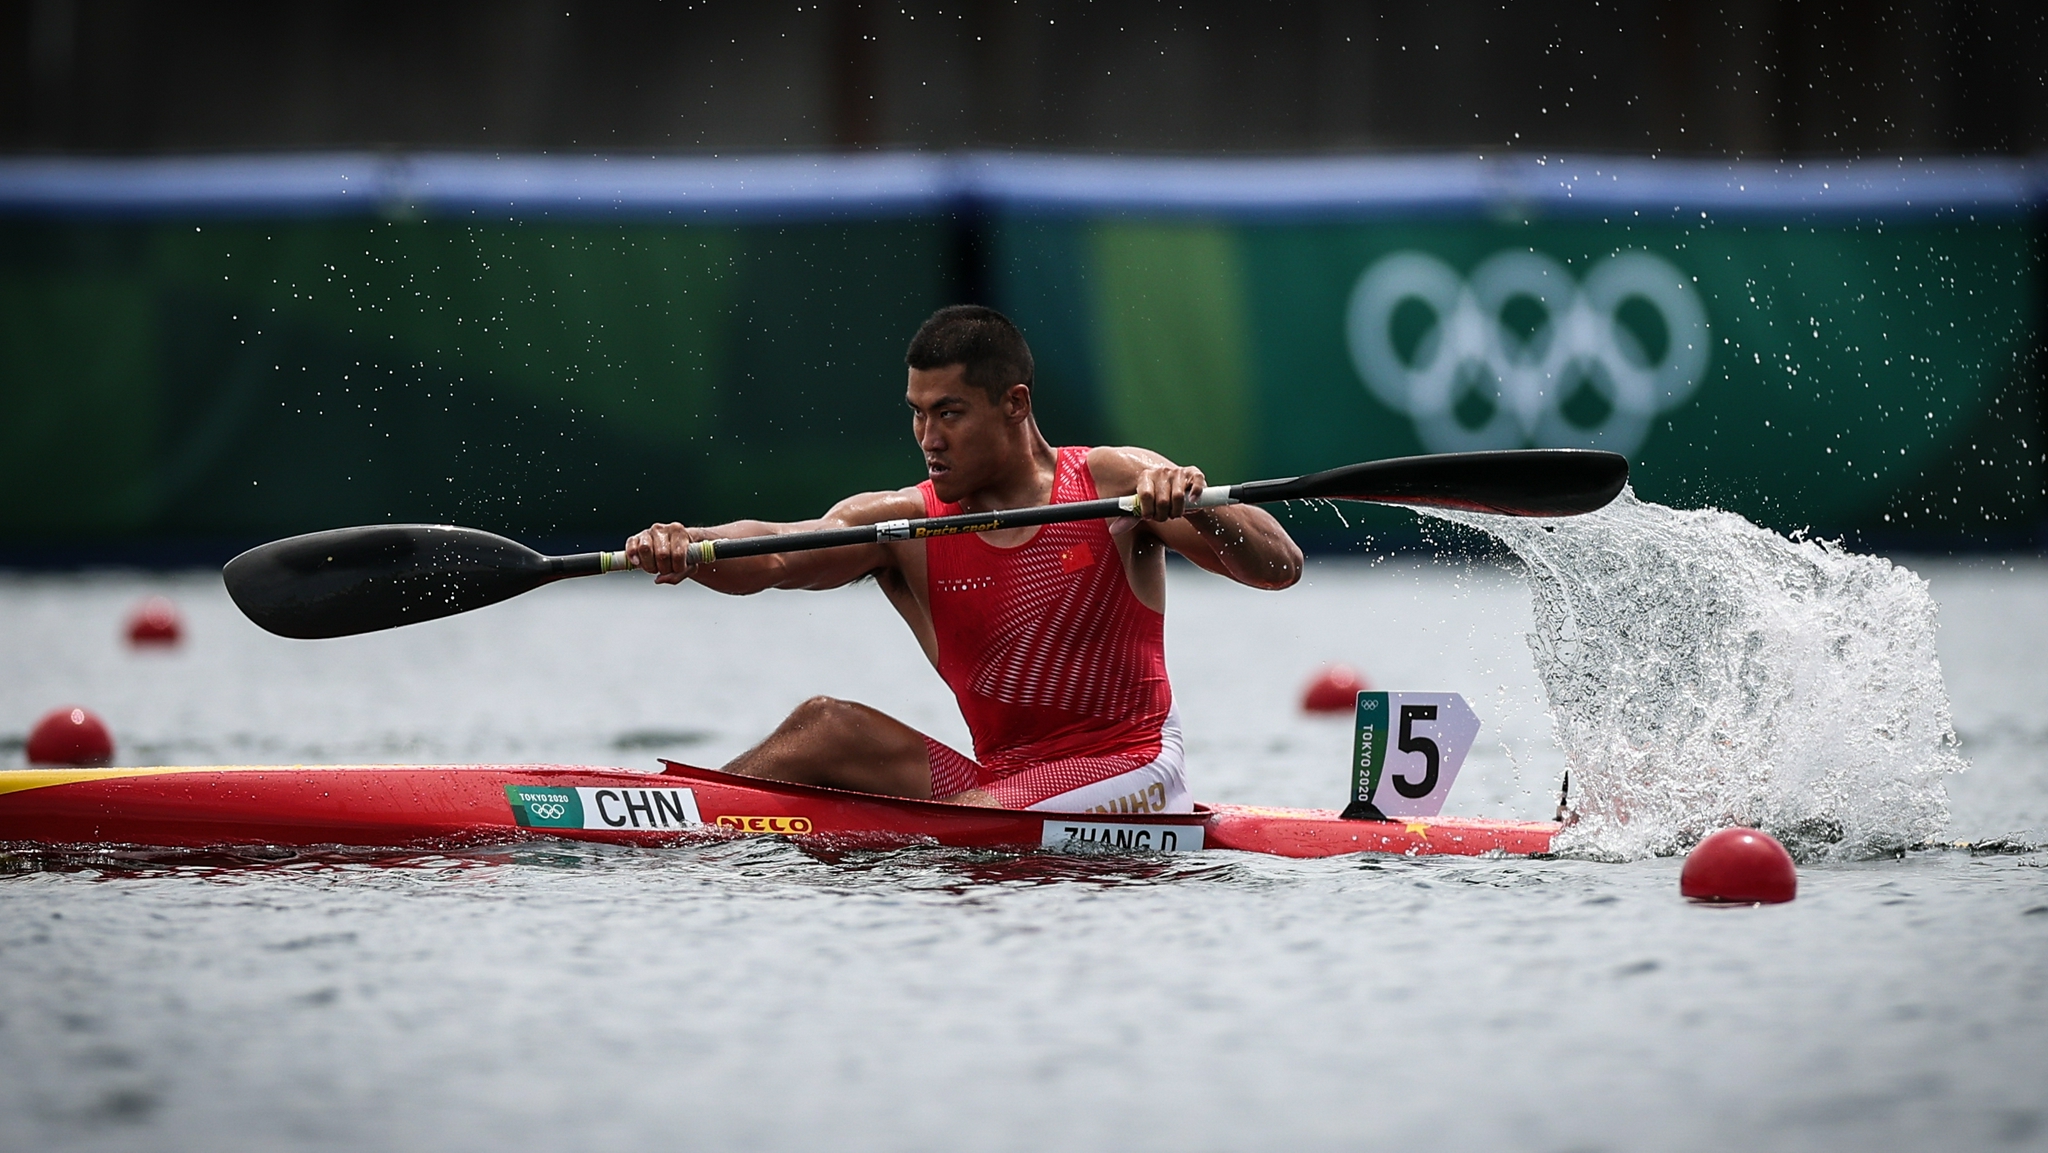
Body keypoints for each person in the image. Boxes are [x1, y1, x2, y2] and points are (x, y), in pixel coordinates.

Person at [625, 305, 1302, 812]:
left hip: (1135, 768)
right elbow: (774, 553)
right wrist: (689, 545)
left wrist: (1198, 503)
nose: (927, 437)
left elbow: (1280, 567)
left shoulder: (1114, 482)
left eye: (948, 413)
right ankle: (667, 817)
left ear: (1015, 404)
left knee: (964, 833)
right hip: (999, 785)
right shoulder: (905, 523)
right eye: (917, 414)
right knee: (824, 726)